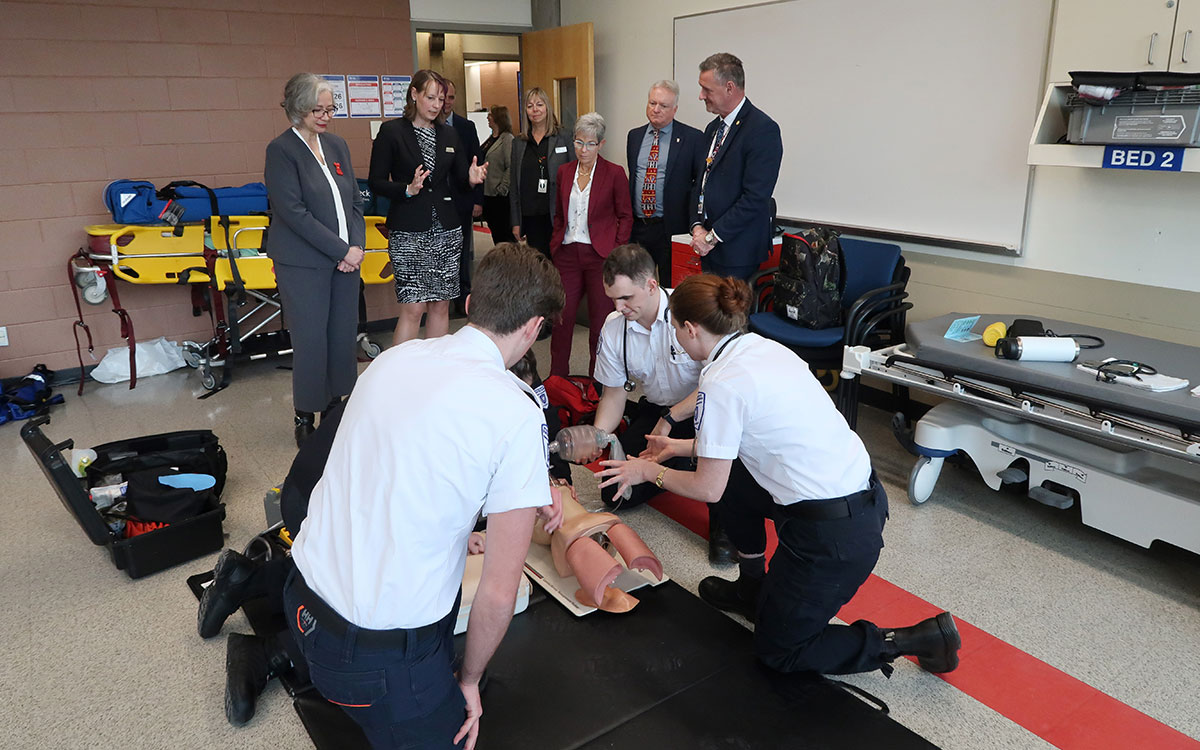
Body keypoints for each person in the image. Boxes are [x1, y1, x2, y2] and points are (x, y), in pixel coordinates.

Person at [596, 273, 962, 681]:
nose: (675, 340)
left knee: (777, 651)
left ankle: (912, 638)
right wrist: (678, 447)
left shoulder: (720, 382)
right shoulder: (760, 348)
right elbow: (749, 439)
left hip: (834, 536)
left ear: (690, 329)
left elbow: (706, 486)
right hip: (851, 497)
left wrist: (648, 470)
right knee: (735, 478)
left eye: (675, 331)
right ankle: (752, 589)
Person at [286, 242, 566, 750]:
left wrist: (521, 487)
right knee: (456, 733)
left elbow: (408, 467)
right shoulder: (516, 411)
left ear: (471, 299)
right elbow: (498, 596)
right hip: (367, 660)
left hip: (300, 595)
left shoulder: (397, 358)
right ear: (533, 328)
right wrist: (469, 682)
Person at [588, 244, 735, 564]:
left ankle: (725, 523)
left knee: (721, 470)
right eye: (612, 298)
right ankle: (681, 462)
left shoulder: (688, 314)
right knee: (616, 493)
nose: (619, 306)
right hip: (657, 411)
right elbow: (613, 395)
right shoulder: (615, 328)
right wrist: (596, 436)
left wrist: (671, 419)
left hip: (708, 410)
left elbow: (724, 384)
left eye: (627, 297)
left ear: (651, 285)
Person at [263, 73, 366, 448]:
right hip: (303, 264)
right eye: (316, 110)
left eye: (330, 109)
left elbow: (355, 201)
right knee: (311, 341)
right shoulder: (282, 150)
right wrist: (340, 250)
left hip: (345, 261)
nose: (325, 116)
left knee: (341, 337)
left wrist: (354, 249)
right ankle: (305, 414)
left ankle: (336, 412)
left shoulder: (337, 145)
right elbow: (293, 212)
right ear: (297, 109)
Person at [369, 69, 487, 346]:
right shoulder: (392, 131)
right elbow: (375, 182)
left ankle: (434, 371)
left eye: (441, 98)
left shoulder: (449, 134)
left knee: (441, 305)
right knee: (413, 308)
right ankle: (400, 376)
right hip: (408, 230)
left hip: (446, 229)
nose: (436, 105)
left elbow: (457, 180)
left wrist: (470, 179)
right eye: (430, 97)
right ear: (414, 94)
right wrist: (406, 190)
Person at [548, 112, 633, 378]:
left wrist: (615, 251)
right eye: (578, 142)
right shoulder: (565, 171)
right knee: (561, 320)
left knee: (600, 323)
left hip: (600, 257)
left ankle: (597, 383)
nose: (583, 150)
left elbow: (625, 216)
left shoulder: (614, 173)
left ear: (601, 144)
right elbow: (560, 213)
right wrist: (556, 242)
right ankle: (557, 380)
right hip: (567, 255)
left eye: (590, 144)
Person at [689, 53, 784, 281]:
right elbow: (700, 183)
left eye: (707, 89)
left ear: (729, 87)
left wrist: (712, 237)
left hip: (737, 252)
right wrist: (697, 227)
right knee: (707, 315)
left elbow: (755, 197)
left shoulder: (762, 129)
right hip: (707, 246)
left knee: (732, 317)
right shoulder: (713, 128)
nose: (701, 96)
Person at [626, 80, 706, 282]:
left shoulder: (693, 138)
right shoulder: (634, 137)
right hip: (638, 228)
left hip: (671, 228)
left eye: (663, 105)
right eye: (652, 103)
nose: (656, 109)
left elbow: (700, 185)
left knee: (672, 286)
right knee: (638, 285)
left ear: (675, 109)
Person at [509, 87, 574, 258]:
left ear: (547, 108)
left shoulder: (563, 137)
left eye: (539, 104)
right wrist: (516, 222)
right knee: (537, 266)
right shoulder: (519, 142)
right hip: (530, 216)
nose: (535, 110)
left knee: (560, 264)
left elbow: (575, 176)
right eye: (530, 106)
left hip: (557, 214)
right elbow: (514, 186)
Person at [441, 80, 484, 310]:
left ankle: (462, 295)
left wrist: (478, 199)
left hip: (462, 200)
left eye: (450, 98)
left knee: (462, 248)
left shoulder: (466, 127)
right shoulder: (426, 126)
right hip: (436, 203)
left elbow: (477, 162)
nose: (446, 102)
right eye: (442, 97)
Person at [481, 105, 516, 244]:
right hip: (488, 194)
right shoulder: (490, 139)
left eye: (490, 115)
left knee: (504, 234)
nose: (487, 118)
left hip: (500, 197)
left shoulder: (507, 139)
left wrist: (502, 188)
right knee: (496, 232)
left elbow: (510, 166)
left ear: (498, 118)